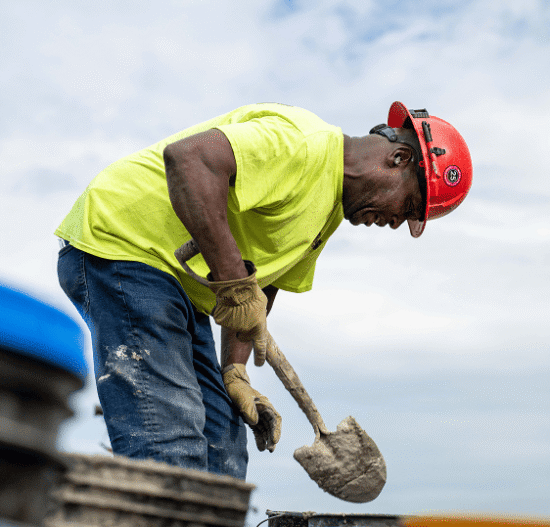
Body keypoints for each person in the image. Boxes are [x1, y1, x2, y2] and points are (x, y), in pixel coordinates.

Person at [55, 101, 472, 480]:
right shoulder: (301, 143)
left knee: (224, 445)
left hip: (176, 284)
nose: (398, 223)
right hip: (124, 246)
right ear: (399, 159)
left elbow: (262, 284)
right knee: (170, 437)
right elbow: (189, 160)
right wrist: (235, 285)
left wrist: (235, 372)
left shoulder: (327, 213)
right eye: (410, 206)